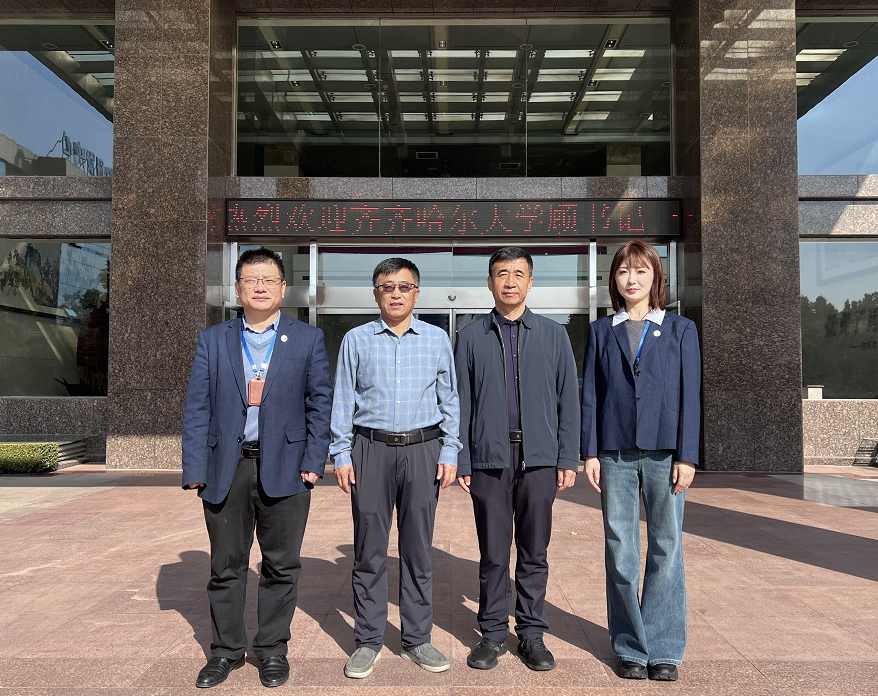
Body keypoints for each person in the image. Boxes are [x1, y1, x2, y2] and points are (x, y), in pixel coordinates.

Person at [182, 247, 332, 689]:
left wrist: (314, 462)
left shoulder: (307, 339)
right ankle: (226, 651)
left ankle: (272, 650)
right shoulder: (214, 339)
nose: (260, 286)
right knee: (226, 566)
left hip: (287, 467)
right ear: (237, 288)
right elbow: (197, 407)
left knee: (281, 566)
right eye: (251, 279)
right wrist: (195, 466)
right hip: (227, 468)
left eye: (269, 279)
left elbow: (320, 404)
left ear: (283, 288)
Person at [330, 257, 461, 679]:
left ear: (416, 294)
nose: (396, 293)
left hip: (423, 450)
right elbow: (343, 398)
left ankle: (417, 639)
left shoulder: (437, 339)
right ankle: (368, 640)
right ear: (376, 294)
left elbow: (449, 399)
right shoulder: (356, 339)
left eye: (405, 286)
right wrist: (341, 453)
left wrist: (450, 450)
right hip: (370, 450)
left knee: (418, 550)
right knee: (369, 550)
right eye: (388, 286)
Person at [454, 246, 580, 672]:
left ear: (530, 281)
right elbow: (461, 403)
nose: (510, 281)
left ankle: (531, 634)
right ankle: (492, 634)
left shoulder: (554, 334)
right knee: (493, 553)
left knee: (534, 551)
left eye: (518, 273)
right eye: (502, 274)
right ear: (490, 282)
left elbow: (568, 400)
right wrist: (464, 460)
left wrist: (567, 457)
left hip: (539, 458)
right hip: (489, 459)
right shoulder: (470, 337)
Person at [580, 240, 701, 682]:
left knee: (667, 548)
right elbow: (591, 395)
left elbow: (691, 396)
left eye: (640, 271)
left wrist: (688, 456)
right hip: (614, 454)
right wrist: (589, 451)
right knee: (621, 550)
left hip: (665, 454)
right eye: (623, 272)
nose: (631, 280)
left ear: (655, 278)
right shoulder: (601, 331)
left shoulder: (681, 329)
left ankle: (664, 648)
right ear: (613, 280)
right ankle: (630, 646)